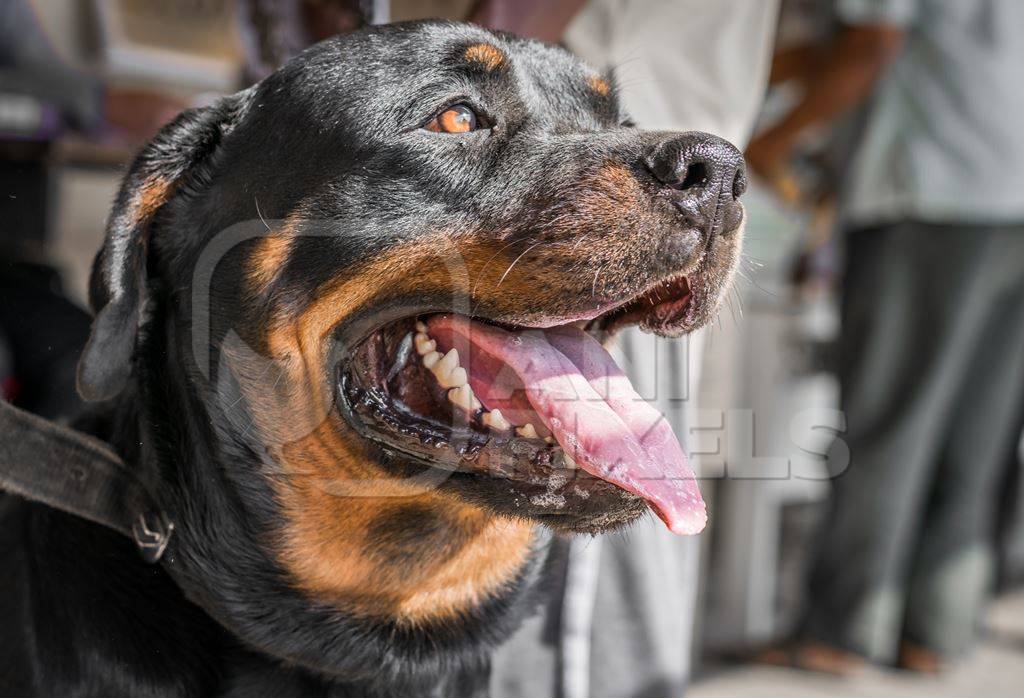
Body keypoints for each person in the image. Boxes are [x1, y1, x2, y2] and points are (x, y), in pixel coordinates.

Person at [467, 2, 779, 695]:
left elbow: (510, 28)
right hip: (638, 178)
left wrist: (428, 88)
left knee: (582, 602)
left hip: (607, 195)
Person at [747, 0, 1024, 673]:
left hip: (934, 191)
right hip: (1011, 197)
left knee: (888, 420)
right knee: (975, 430)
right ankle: (936, 628)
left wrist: (767, 142)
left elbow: (870, 44)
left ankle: (840, 630)